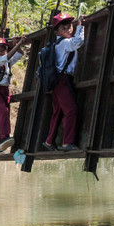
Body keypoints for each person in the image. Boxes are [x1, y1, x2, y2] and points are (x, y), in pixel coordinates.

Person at [42, 12, 85, 152]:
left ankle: (49, 141)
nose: (68, 30)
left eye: (69, 26)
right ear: (57, 32)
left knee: (58, 111)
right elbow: (78, 42)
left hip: (58, 80)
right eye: (64, 28)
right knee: (71, 110)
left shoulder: (57, 44)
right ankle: (67, 143)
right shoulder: (65, 43)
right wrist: (80, 26)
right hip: (62, 80)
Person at [0, 36, 26, 155]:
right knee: (3, 112)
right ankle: (5, 137)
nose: (0, 52)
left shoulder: (6, 62)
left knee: (2, 115)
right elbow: (8, 56)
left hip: (5, 91)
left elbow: (20, 54)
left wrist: (15, 45)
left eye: (2, 50)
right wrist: (18, 44)